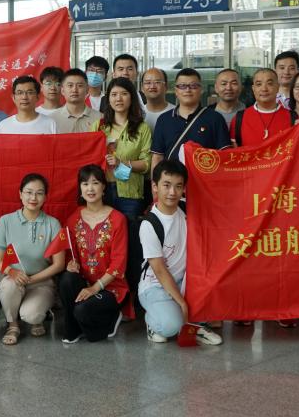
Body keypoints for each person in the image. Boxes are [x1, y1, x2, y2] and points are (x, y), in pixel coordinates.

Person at [139, 160, 222, 345]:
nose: (172, 192)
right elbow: (159, 270)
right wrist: (182, 303)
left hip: (185, 281)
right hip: (156, 285)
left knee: (216, 285)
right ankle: (153, 322)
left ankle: (195, 326)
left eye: (178, 186)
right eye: (166, 185)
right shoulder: (149, 224)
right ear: (155, 186)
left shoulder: (186, 208)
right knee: (170, 326)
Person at [0, 173, 66, 344]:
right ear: (20, 194)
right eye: (29, 192)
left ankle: (37, 317)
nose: (33, 198)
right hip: (12, 278)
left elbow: (59, 264)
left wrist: (31, 279)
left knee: (31, 315)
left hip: (41, 282)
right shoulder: (6, 221)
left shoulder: (53, 224)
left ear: (45, 197)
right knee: (8, 286)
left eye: (39, 193)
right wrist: (12, 272)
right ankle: (13, 325)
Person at [58, 165, 128, 343]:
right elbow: (70, 254)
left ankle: (112, 318)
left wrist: (95, 288)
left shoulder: (117, 219)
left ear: (104, 187)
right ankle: (73, 329)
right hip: (84, 284)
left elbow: (119, 264)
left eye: (95, 183)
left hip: (110, 287)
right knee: (66, 279)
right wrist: (70, 264)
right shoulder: (73, 219)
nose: (90, 188)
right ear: (80, 189)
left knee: (82, 310)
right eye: (85, 184)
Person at [94, 77, 149, 291]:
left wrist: (122, 163)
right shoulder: (99, 126)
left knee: (130, 244)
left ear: (132, 98)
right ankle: (107, 288)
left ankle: (132, 292)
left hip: (130, 195)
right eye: (114, 94)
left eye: (124, 94)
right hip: (102, 193)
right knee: (104, 242)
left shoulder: (142, 128)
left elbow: (147, 164)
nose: (119, 99)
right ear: (108, 98)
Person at [150, 68, 230, 171]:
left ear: (201, 90)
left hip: (204, 179)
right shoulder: (163, 120)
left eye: (193, 86)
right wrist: (155, 181)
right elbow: (157, 157)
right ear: (176, 91)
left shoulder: (215, 118)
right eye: (182, 86)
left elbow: (224, 156)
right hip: (171, 179)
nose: (187, 90)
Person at [231, 68, 295, 144]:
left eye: (269, 84)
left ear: (277, 87)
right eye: (259, 84)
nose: (264, 89)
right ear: (253, 89)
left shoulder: (293, 118)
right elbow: (235, 150)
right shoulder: (239, 119)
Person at [57, 68, 100, 133]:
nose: (74, 90)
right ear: (62, 90)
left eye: (80, 86)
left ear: (87, 90)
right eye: (70, 85)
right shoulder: (52, 119)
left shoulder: (100, 118)